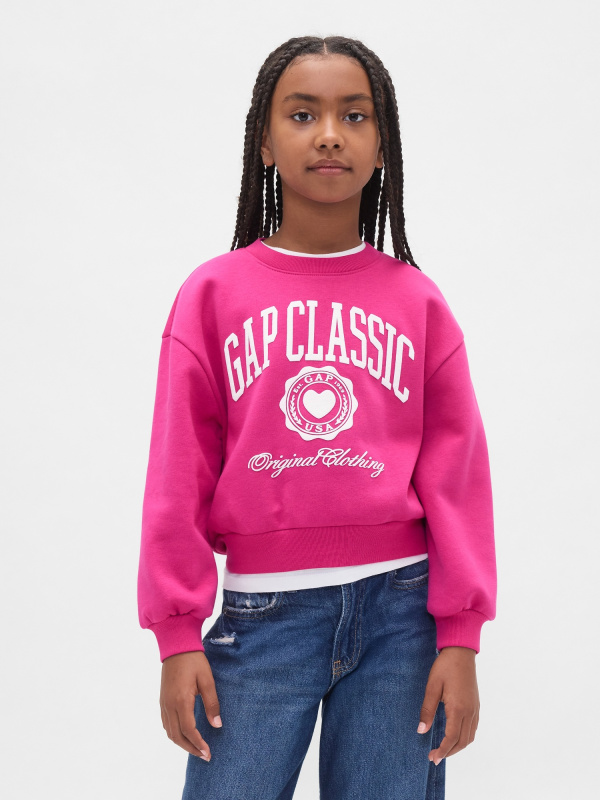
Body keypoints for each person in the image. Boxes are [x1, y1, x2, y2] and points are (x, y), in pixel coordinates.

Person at [137, 34, 497, 800]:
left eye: (354, 115)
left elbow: (457, 473)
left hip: (403, 618)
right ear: (264, 142)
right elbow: (178, 470)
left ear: (382, 145)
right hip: (262, 620)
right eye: (302, 114)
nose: (330, 134)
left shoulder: (417, 301)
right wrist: (177, 633)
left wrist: (461, 634)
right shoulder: (212, 295)